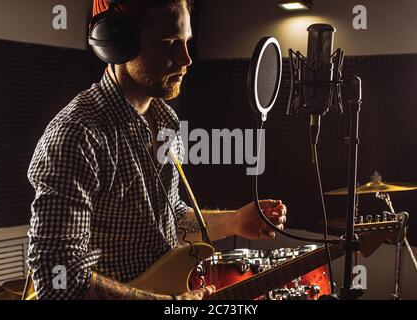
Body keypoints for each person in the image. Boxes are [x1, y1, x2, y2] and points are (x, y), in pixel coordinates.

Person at [26, 0, 287, 300]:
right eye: (169, 44)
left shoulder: (166, 121)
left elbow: (166, 219)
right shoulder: (78, 135)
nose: (186, 59)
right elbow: (56, 275)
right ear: (118, 45)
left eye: (187, 42)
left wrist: (235, 222)